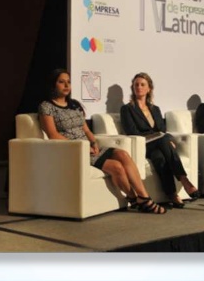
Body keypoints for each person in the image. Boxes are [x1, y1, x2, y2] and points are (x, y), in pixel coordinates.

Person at [38, 69, 167, 214]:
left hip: (89, 148)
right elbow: (53, 134)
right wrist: (83, 147)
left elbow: (87, 131)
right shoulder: (47, 107)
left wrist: (93, 143)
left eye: (68, 82)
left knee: (123, 154)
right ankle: (134, 198)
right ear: (53, 85)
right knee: (117, 167)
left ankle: (144, 196)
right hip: (73, 151)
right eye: (61, 82)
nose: (67, 85)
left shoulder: (74, 105)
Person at [120, 72, 200, 208]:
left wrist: (168, 139)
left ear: (149, 88)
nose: (139, 87)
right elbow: (131, 131)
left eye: (142, 85)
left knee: (160, 157)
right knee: (164, 140)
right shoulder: (127, 109)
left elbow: (162, 130)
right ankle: (184, 179)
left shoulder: (155, 109)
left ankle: (172, 194)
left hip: (157, 145)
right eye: (136, 85)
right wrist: (163, 139)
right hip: (142, 144)